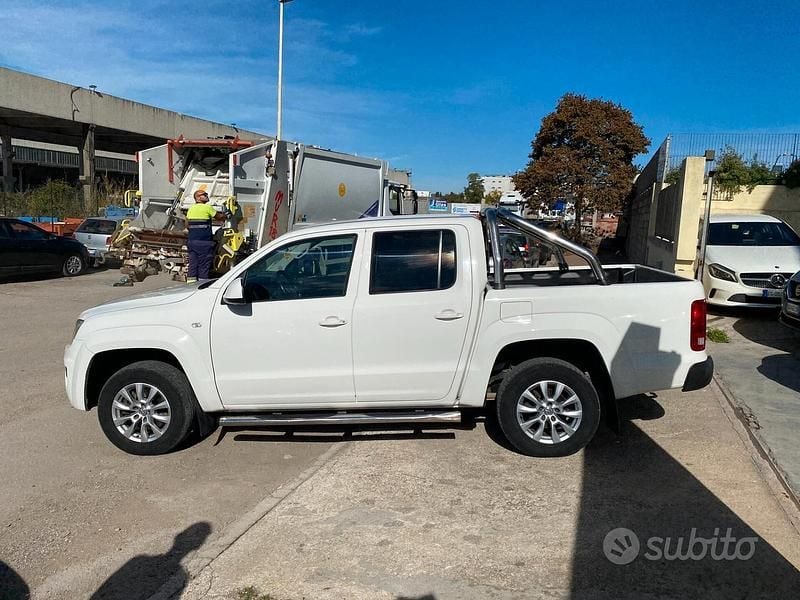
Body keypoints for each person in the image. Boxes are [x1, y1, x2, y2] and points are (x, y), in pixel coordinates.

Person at [185, 189, 225, 283]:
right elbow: (219, 217)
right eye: (204, 194)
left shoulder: (191, 209)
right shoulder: (207, 208)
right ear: (198, 198)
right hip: (204, 242)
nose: (207, 196)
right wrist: (227, 214)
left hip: (192, 242)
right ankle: (202, 286)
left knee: (193, 265)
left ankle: (190, 285)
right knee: (204, 266)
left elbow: (187, 225)